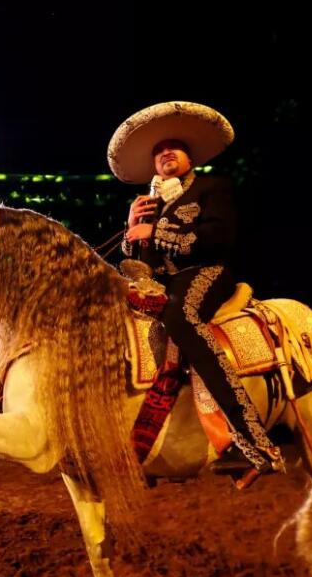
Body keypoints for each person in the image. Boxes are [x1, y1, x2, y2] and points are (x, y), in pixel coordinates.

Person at [108, 101, 281, 474]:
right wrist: (132, 228)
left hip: (207, 270)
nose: (165, 153)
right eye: (158, 152)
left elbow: (219, 238)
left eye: (173, 147)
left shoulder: (212, 186)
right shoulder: (149, 205)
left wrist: (155, 232)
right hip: (165, 281)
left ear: (190, 157)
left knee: (181, 317)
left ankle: (250, 437)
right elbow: (142, 262)